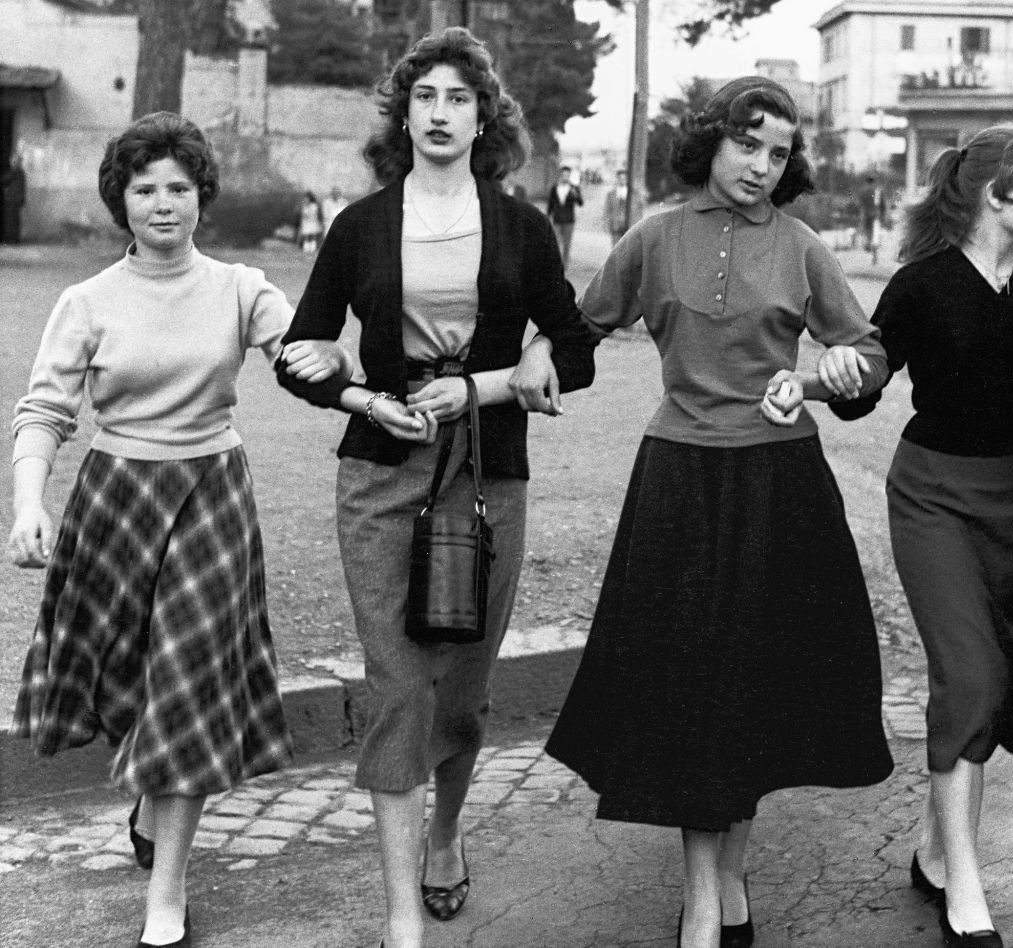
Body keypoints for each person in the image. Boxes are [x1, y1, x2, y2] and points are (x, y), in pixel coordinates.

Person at [543, 75, 894, 948]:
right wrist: (531, 353)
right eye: (747, 143)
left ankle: (727, 880)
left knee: (752, 690)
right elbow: (577, 331)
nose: (761, 165)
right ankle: (706, 901)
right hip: (680, 483)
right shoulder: (654, 236)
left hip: (781, 486)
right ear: (711, 141)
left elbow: (868, 356)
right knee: (692, 689)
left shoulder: (803, 246)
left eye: (778, 152)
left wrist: (828, 377)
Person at [273, 27, 597, 948]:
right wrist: (361, 394)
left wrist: (485, 385)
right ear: (404, 115)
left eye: (460, 98)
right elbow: (300, 352)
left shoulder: (521, 227)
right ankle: (400, 914)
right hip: (380, 474)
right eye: (426, 97)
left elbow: (575, 350)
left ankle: (445, 835)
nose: (442, 113)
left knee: (460, 690)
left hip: (486, 478)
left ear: (483, 117)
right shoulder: (359, 226)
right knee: (398, 687)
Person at [8, 111, 348, 948]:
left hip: (211, 497)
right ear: (120, 201)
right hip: (117, 502)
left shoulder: (240, 287)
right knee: (132, 677)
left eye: (179, 189)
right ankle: (149, 799)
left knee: (189, 681)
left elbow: (303, 354)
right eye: (145, 190)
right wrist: (28, 503)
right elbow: (44, 411)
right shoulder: (85, 301)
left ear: (202, 196)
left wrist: (339, 367)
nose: (164, 204)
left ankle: (169, 891)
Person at [836, 122, 1013, 948]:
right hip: (934, 501)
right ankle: (964, 886)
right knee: (970, 678)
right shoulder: (920, 284)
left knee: (1004, 687)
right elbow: (865, 383)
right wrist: (841, 373)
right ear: (997, 192)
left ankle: (931, 849)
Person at [545, 163, 583, 265]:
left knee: (567, 244)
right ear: (560, 175)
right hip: (557, 219)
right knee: (556, 243)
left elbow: (580, 203)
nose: (565, 177)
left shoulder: (574, 188)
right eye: (563, 175)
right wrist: (547, 216)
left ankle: (565, 263)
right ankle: (557, 263)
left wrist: (576, 195)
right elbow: (550, 203)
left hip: (569, 221)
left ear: (569, 175)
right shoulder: (554, 188)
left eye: (567, 175)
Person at [856, 172, 888, 264]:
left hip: (865, 215)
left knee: (867, 233)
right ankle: (874, 255)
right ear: (874, 181)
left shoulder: (862, 191)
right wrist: (883, 216)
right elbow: (883, 205)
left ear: (867, 181)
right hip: (876, 216)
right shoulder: (878, 191)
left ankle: (868, 245)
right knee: (875, 236)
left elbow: (860, 204)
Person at [1, 150, 25, 244]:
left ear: (17, 162)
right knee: (14, 221)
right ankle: (14, 239)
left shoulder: (16, 171)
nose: (12, 162)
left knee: (11, 221)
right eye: (12, 161)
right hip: (15, 200)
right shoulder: (20, 172)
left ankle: (12, 240)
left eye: (14, 161)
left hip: (12, 200)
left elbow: (4, 179)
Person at [604, 168, 629, 244]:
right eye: (620, 178)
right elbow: (607, 210)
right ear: (617, 179)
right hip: (615, 227)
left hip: (629, 227)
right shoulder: (610, 194)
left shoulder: (632, 194)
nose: (622, 180)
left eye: (624, 178)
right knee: (616, 247)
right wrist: (607, 224)